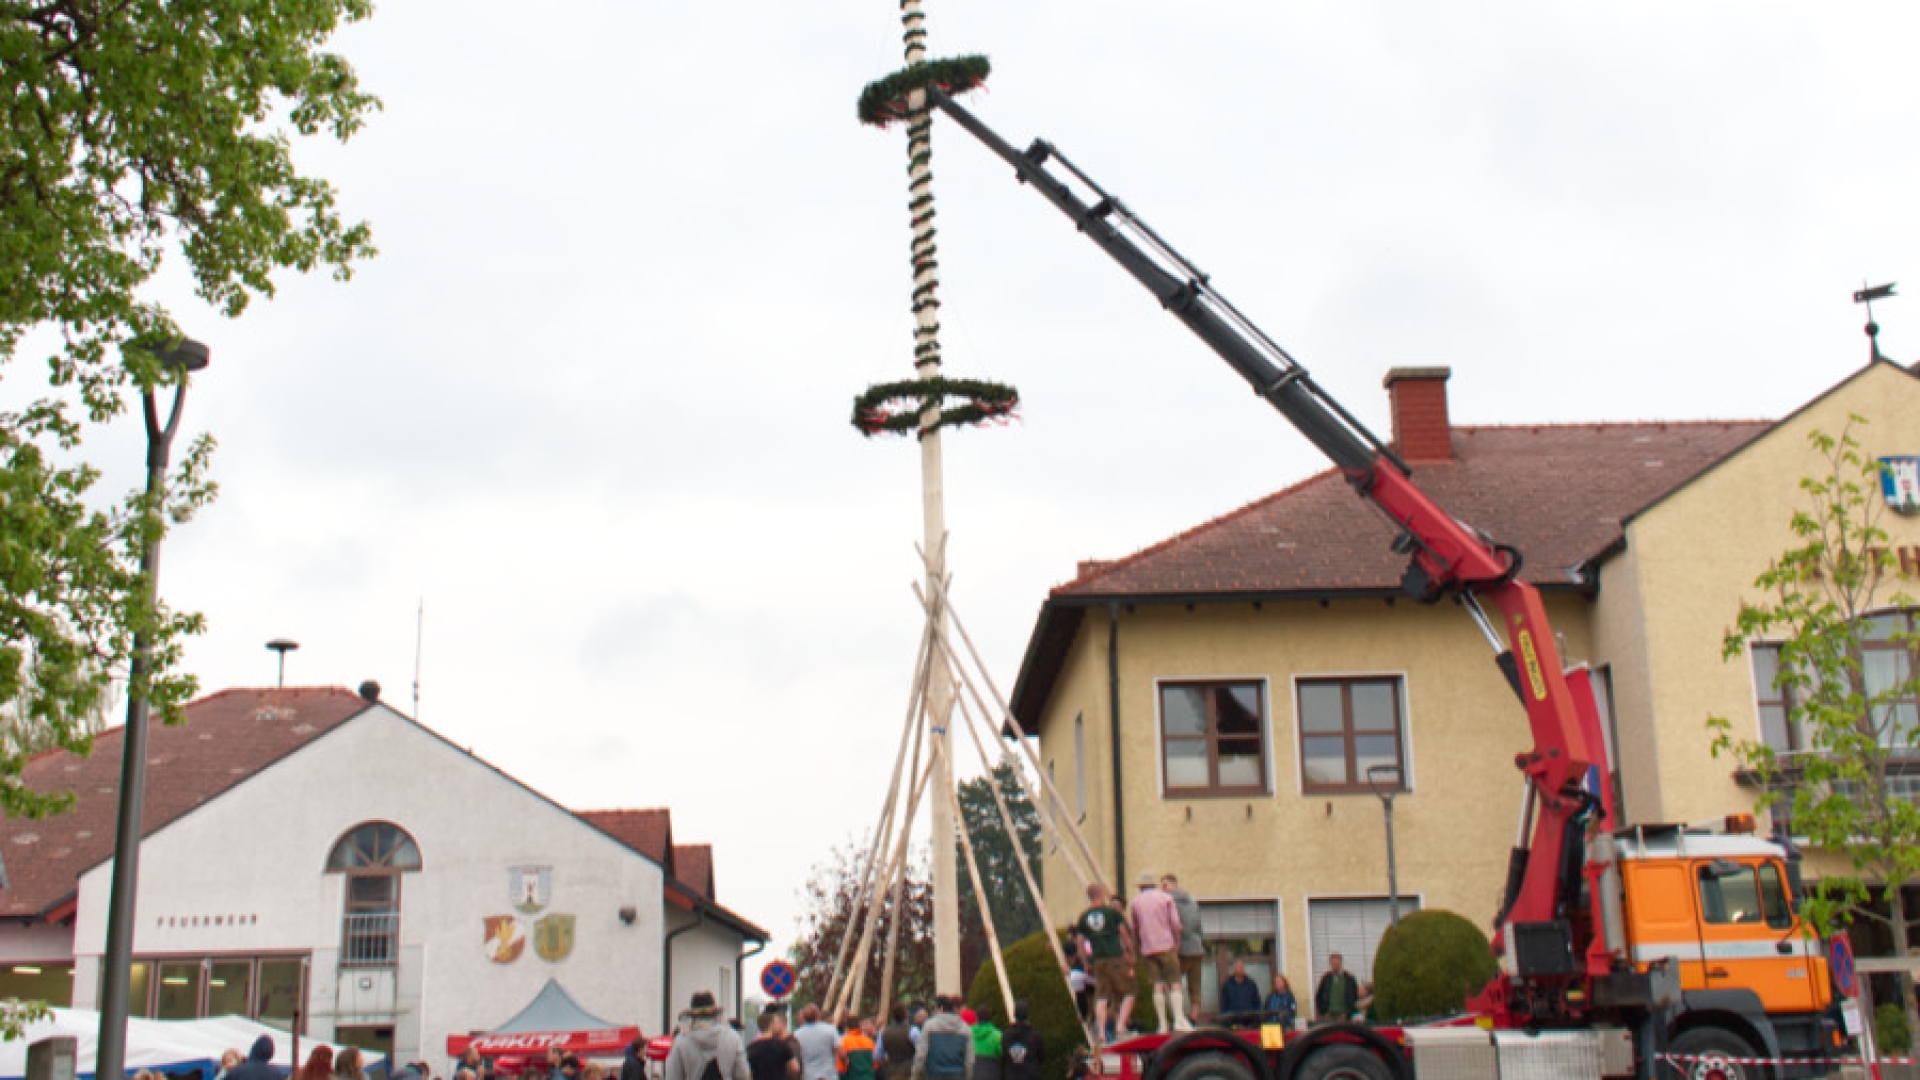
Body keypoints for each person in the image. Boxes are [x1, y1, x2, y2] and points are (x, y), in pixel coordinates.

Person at [1071, 883, 1135, 1046]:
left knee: (1101, 996)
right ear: (1101, 894)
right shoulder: (1111, 912)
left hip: (1098, 961)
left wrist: (1086, 963)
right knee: (1130, 991)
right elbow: (1124, 934)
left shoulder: (1084, 917)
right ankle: (1120, 1026)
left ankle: (1101, 1033)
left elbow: (1079, 942)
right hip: (1115, 957)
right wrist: (1131, 952)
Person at [1128, 871, 1190, 1033]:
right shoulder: (1166, 898)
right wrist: (1177, 941)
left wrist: (1138, 945)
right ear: (1154, 884)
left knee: (1157, 985)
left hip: (1148, 949)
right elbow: (1175, 923)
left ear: (1140, 886)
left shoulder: (1135, 902)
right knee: (1175, 983)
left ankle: (1162, 1024)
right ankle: (1178, 1019)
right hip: (1166, 945)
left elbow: (1134, 927)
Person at [665, 991, 750, 1080]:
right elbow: (743, 1074)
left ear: (692, 1013)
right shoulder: (732, 1037)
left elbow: (672, 1076)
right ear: (715, 1011)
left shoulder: (681, 1041)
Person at [1160, 874, 1204, 1027]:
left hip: (1178, 949)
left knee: (1171, 983)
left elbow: (1169, 925)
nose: (1162, 889)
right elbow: (1199, 927)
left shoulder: (1167, 902)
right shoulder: (1192, 903)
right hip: (1196, 948)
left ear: (1171, 886)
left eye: (1164, 885)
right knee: (1195, 986)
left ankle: (1176, 1017)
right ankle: (1193, 1017)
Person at [910, 997, 972, 1080]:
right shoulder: (966, 1028)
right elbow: (969, 1060)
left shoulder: (929, 1026)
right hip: (958, 1074)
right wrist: (968, 1076)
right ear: (954, 1009)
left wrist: (914, 1075)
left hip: (934, 1073)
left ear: (942, 1008)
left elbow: (921, 1054)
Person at [794, 1004, 842, 1080]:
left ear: (804, 1017)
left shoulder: (797, 1034)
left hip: (810, 1075)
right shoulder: (830, 1029)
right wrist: (845, 1061)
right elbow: (840, 1051)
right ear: (818, 1015)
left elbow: (796, 1056)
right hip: (829, 1075)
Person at [749, 1009, 800, 1080]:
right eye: (776, 1023)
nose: (778, 1026)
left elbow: (748, 1072)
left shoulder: (751, 1048)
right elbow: (795, 1068)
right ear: (771, 1025)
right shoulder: (782, 1045)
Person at [997, 1001, 1042, 1080]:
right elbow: (1041, 1057)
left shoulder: (1006, 1035)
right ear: (1027, 1014)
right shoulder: (1035, 1036)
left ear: (1015, 1014)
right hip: (1030, 1076)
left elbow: (1003, 1057)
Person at [1314, 954, 1360, 1023]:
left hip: (1344, 1015)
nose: (1335, 965)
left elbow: (1355, 996)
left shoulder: (1349, 979)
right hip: (1329, 1015)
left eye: (1337, 963)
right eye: (1333, 963)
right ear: (1330, 964)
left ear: (1341, 963)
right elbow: (1318, 996)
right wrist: (1322, 1012)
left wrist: (1349, 1012)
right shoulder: (1326, 978)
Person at [962, 1008, 999, 1080]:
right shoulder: (997, 1035)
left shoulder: (966, 1033)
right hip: (992, 1075)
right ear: (990, 1018)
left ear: (976, 1018)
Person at [879, 1005, 914, 1080]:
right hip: (908, 1069)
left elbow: (877, 1055)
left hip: (891, 1069)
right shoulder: (913, 1030)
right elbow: (921, 1051)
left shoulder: (884, 1031)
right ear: (906, 1015)